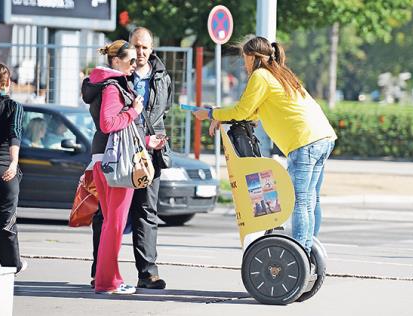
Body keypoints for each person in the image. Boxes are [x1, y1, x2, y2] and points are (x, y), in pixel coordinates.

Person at [193, 36, 337, 254]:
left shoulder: (260, 75)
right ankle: (309, 250)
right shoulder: (281, 73)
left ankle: (301, 253)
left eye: (244, 59)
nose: (244, 64)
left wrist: (212, 113)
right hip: (323, 137)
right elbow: (252, 112)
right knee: (311, 199)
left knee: (301, 201)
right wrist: (221, 115)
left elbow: (242, 111)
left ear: (252, 57)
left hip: (304, 141)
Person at [91, 26, 172, 290]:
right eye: (135, 46)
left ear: (151, 49)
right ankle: (101, 272)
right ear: (127, 46)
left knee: (146, 212)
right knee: (109, 216)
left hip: (147, 154)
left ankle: (147, 273)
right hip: (118, 153)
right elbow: (104, 118)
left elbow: (162, 113)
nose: (139, 52)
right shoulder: (115, 78)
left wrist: (154, 140)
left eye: (144, 47)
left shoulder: (162, 77)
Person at [81, 40, 143, 295]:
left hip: (104, 158)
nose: (134, 65)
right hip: (116, 163)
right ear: (116, 61)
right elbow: (108, 124)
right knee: (114, 225)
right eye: (130, 61)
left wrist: (148, 141)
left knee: (110, 224)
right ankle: (108, 282)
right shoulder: (112, 87)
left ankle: (109, 279)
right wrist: (134, 111)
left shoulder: (102, 83)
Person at [0, 63, 27, 274]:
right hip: (4, 169)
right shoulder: (14, 107)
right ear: (8, 83)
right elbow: (15, 135)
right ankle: (12, 265)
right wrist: (13, 162)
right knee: (5, 221)